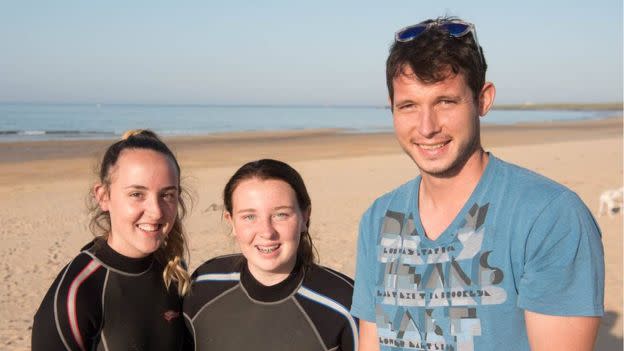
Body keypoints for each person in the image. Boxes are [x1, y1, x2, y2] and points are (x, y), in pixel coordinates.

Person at [351, 17, 604, 351]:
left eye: (445, 102)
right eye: (409, 106)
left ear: (483, 99)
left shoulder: (548, 216)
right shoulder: (379, 218)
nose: (427, 127)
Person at [32, 129, 191, 351]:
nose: (155, 212)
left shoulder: (175, 271)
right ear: (103, 196)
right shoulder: (77, 294)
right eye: (137, 194)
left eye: (167, 195)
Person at [183, 159, 358, 351]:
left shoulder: (345, 303)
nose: (266, 232)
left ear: (304, 217)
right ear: (231, 221)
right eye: (249, 216)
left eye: (280, 215)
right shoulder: (204, 284)